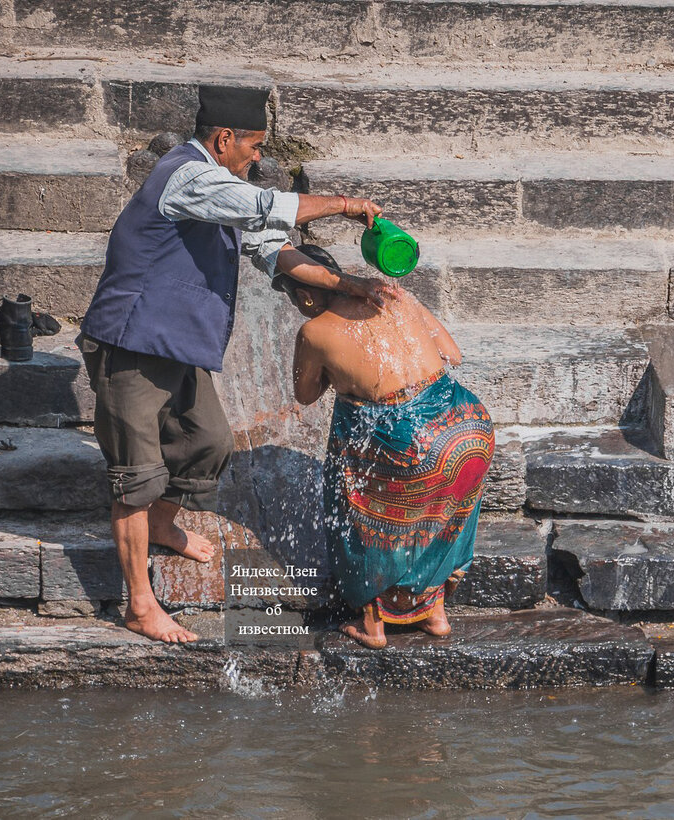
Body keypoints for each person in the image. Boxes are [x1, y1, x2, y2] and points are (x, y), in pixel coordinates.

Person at [79, 85, 396, 643]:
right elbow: (268, 208)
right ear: (223, 138)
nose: (257, 158)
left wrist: (350, 284)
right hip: (131, 343)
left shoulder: (225, 187)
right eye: (252, 146)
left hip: (175, 344)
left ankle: (162, 526)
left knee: (209, 442)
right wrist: (347, 206)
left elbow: (275, 248)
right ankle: (139, 605)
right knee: (136, 477)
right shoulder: (188, 176)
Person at [280, 246, 495, 650]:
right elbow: (452, 353)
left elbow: (306, 394)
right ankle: (435, 613)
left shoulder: (314, 331)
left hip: (414, 441)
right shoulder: (394, 295)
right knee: (442, 514)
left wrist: (343, 375)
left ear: (305, 296)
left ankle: (372, 623)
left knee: (357, 497)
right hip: (468, 426)